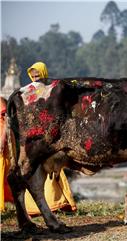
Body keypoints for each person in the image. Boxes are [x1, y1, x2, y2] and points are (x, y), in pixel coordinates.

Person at [0, 62, 77, 215]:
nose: (36, 79)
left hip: (50, 137)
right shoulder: (27, 93)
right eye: (33, 76)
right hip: (33, 138)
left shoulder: (54, 91)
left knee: (53, 170)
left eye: (38, 76)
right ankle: (34, 208)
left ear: (44, 75)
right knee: (33, 172)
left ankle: (57, 204)